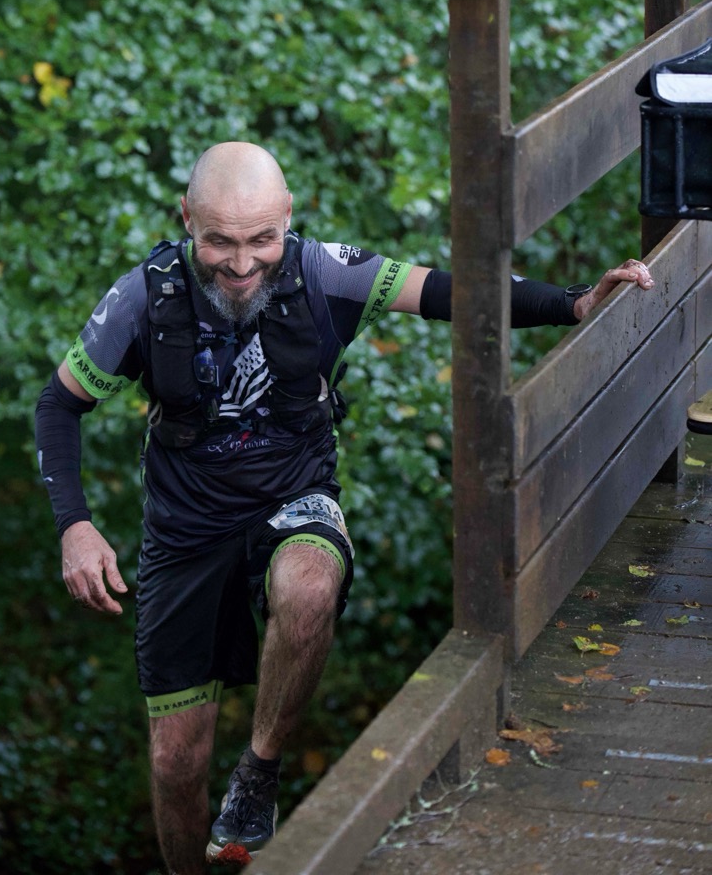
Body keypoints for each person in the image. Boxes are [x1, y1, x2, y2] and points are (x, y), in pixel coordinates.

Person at [34, 141, 655, 875]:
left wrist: (573, 302)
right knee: (175, 764)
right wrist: (76, 526)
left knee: (308, 586)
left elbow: (450, 293)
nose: (242, 265)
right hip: (185, 529)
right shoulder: (146, 296)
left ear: (288, 217)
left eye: (262, 239)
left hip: (292, 496)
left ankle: (259, 773)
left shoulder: (324, 271)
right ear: (186, 220)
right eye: (220, 242)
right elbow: (58, 406)